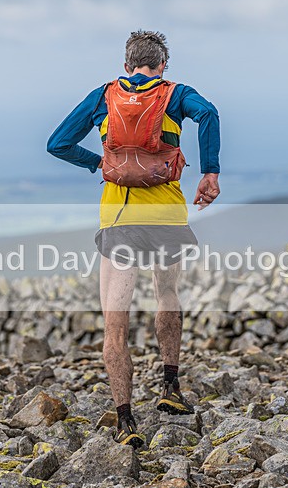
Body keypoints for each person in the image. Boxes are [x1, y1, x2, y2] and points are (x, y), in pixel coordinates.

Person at [47, 30, 221, 447]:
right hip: (166, 215)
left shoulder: (103, 96)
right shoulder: (176, 95)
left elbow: (57, 144)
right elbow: (209, 113)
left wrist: (100, 164)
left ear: (126, 66)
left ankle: (126, 421)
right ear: (163, 65)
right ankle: (171, 389)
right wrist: (210, 172)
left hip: (120, 218)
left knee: (115, 322)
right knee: (167, 295)